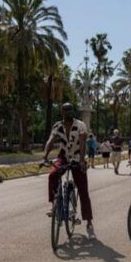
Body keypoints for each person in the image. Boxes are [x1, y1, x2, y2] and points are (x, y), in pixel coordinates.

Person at [42, 103, 96, 240]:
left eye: (70, 109)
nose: (68, 112)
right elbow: (51, 140)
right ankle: (54, 204)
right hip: (64, 156)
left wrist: (82, 160)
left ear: (73, 111)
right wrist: (45, 157)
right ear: (62, 112)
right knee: (53, 174)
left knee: (83, 190)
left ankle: (89, 224)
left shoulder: (80, 125)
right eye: (65, 110)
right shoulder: (57, 125)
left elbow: (83, 142)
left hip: (78, 157)